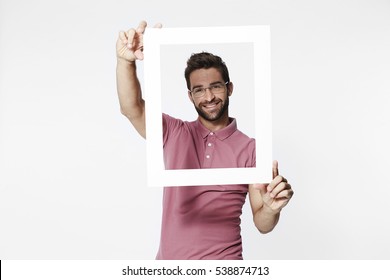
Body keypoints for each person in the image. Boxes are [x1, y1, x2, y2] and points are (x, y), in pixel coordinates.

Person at [116, 21, 294, 260]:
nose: (209, 97)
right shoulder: (175, 132)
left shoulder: (252, 149)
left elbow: (262, 223)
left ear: (229, 88)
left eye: (216, 87)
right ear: (190, 96)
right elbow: (131, 108)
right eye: (199, 90)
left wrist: (271, 209)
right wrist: (126, 61)